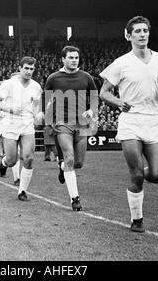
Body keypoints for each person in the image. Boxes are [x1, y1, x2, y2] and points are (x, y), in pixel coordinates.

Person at [99, 15, 158, 233]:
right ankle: (136, 219)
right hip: (131, 121)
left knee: (157, 175)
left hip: (153, 120)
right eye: (137, 31)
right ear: (128, 35)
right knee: (137, 175)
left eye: (145, 31)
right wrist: (119, 102)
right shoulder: (121, 63)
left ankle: (143, 172)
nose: (142, 35)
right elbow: (103, 92)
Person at [43, 45, 98, 211]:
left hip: (81, 123)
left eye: (76, 58)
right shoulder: (53, 78)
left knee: (78, 163)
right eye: (71, 57)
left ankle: (62, 168)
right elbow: (45, 100)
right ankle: (75, 199)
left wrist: (91, 110)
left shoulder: (86, 77)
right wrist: (45, 117)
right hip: (62, 123)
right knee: (69, 158)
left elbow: (95, 99)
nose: (74, 60)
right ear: (63, 59)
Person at [0, 56, 44, 201]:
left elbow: (36, 106)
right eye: (26, 68)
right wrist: (10, 109)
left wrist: (38, 114)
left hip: (27, 124)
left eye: (31, 69)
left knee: (28, 158)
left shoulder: (36, 87)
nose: (29, 71)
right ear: (20, 68)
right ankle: (3, 164)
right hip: (11, 124)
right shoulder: (9, 84)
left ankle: (22, 191)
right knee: (12, 160)